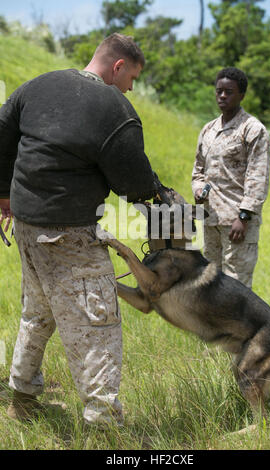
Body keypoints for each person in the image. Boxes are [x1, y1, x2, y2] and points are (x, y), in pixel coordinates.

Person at [0, 33, 159, 426]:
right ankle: (105, 426)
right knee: (97, 325)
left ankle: (21, 397)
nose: (132, 87)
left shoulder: (38, 86)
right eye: (132, 77)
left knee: (37, 312)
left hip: (27, 226)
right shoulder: (113, 107)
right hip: (69, 235)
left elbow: (2, 135)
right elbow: (133, 183)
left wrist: (3, 194)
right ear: (118, 66)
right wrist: (156, 193)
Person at [191, 67, 270, 289]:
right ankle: (214, 326)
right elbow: (198, 170)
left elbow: (258, 176)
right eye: (219, 91)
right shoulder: (208, 129)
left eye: (229, 91)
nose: (222, 96)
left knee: (236, 287)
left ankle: (241, 325)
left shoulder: (253, 129)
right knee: (211, 283)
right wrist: (198, 188)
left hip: (237, 222)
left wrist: (244, 216)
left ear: (241, 95)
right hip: (211, 219)